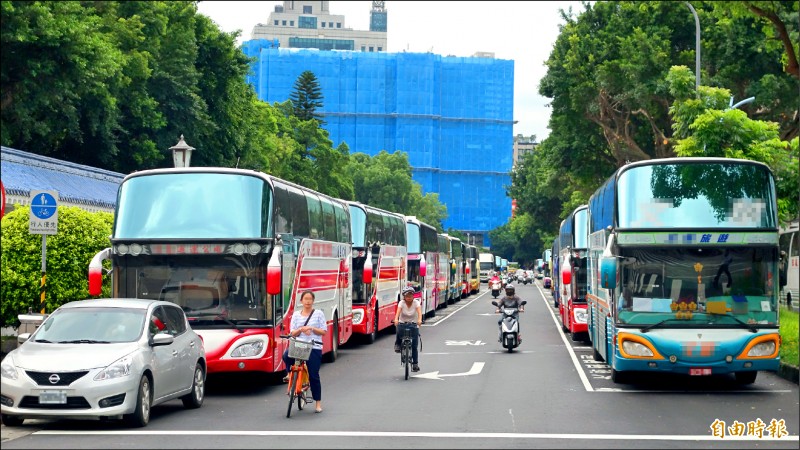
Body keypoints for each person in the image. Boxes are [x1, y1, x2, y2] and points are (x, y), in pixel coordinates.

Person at [282, 290, 327, 413]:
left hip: (314, 346)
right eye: (305, 299)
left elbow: (323, 331)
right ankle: (289, 373)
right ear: (301, 301)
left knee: (314, 375)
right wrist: (301, 329)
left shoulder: (318, 314)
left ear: (313, 301)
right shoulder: (296, 315)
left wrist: (311, 328)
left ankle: (318, 403)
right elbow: (292, 332)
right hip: (299, 345)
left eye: (310, 299)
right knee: (286, 356)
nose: (307, 301)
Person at [393, 285, 423, 372]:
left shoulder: (416, 303)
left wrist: (419, 320)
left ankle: (415, 364)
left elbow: (419, 312)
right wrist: (396, 319)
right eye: (407, 296)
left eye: (410, 295)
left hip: (413, 324)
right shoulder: (401, 303)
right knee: (398, 330)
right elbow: (398, 312)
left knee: (414, 345)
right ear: (404, 296)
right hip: (403, 323)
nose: (409, 297)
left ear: (413, 296)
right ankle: (398, 344)